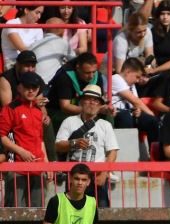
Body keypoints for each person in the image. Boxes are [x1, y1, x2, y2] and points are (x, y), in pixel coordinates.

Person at [55, 85, 119, 208]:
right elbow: (57, 146)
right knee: (73, 210)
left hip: (97, 175)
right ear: (81, 102)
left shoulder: (105, 125)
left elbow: (113, 151)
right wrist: (74, 143)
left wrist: (104, 173)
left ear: (100, 105)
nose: (92, 103)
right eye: (88, 99)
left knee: (101, 211)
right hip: (75, 175)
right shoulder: (69, 121)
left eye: (96, 100)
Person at [0, 72, 50, 208]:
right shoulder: (11, 108)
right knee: (15, 210)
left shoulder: (38, 111)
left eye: (34, 87)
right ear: (19, 88)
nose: (31, 90)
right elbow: (2, 136)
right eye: (27, 87)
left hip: (38, 167)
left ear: (38, 90)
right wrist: (21, 151)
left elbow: (40, 140)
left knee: (39, 211)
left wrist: (47, 163)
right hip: (17, 167)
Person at [46, 52, 108, 135]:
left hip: (86, 111)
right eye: (87, 73)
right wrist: (90, 111)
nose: (91, 76)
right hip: (58, 112)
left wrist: (106, 109)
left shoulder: (97, 76)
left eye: (93, 72)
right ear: (78, 68)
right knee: (71, 121)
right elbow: (65, 107)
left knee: (108, 116)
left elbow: (100, 101)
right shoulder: (65, 76)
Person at [111, 57, 160, 148]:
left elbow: (136, 104)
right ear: (128, 72)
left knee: (151, 122)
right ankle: (128, 151)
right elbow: (136, 101)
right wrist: (152, 114)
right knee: (125, 117)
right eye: (137, 77)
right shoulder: (115, 79)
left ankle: (154, 151)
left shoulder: (131, 84)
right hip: (117, 113)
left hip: (131, 113)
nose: (137, 81)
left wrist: (138, 111)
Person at [30, 18, 77, 85]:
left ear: (45, 29)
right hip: (48, 84)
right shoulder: (62, 42)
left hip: (32, 83)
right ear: (62, 30)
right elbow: (75, 62)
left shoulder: (35, 44)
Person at [1, 5, 44, 70]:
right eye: (37, 12)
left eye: (41, 13)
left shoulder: (38, 28)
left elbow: (39, 50)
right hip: (13, 63)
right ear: (26, 10)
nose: (39, 16)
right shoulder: (11, 23)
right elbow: (22, 49)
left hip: (31, 63)